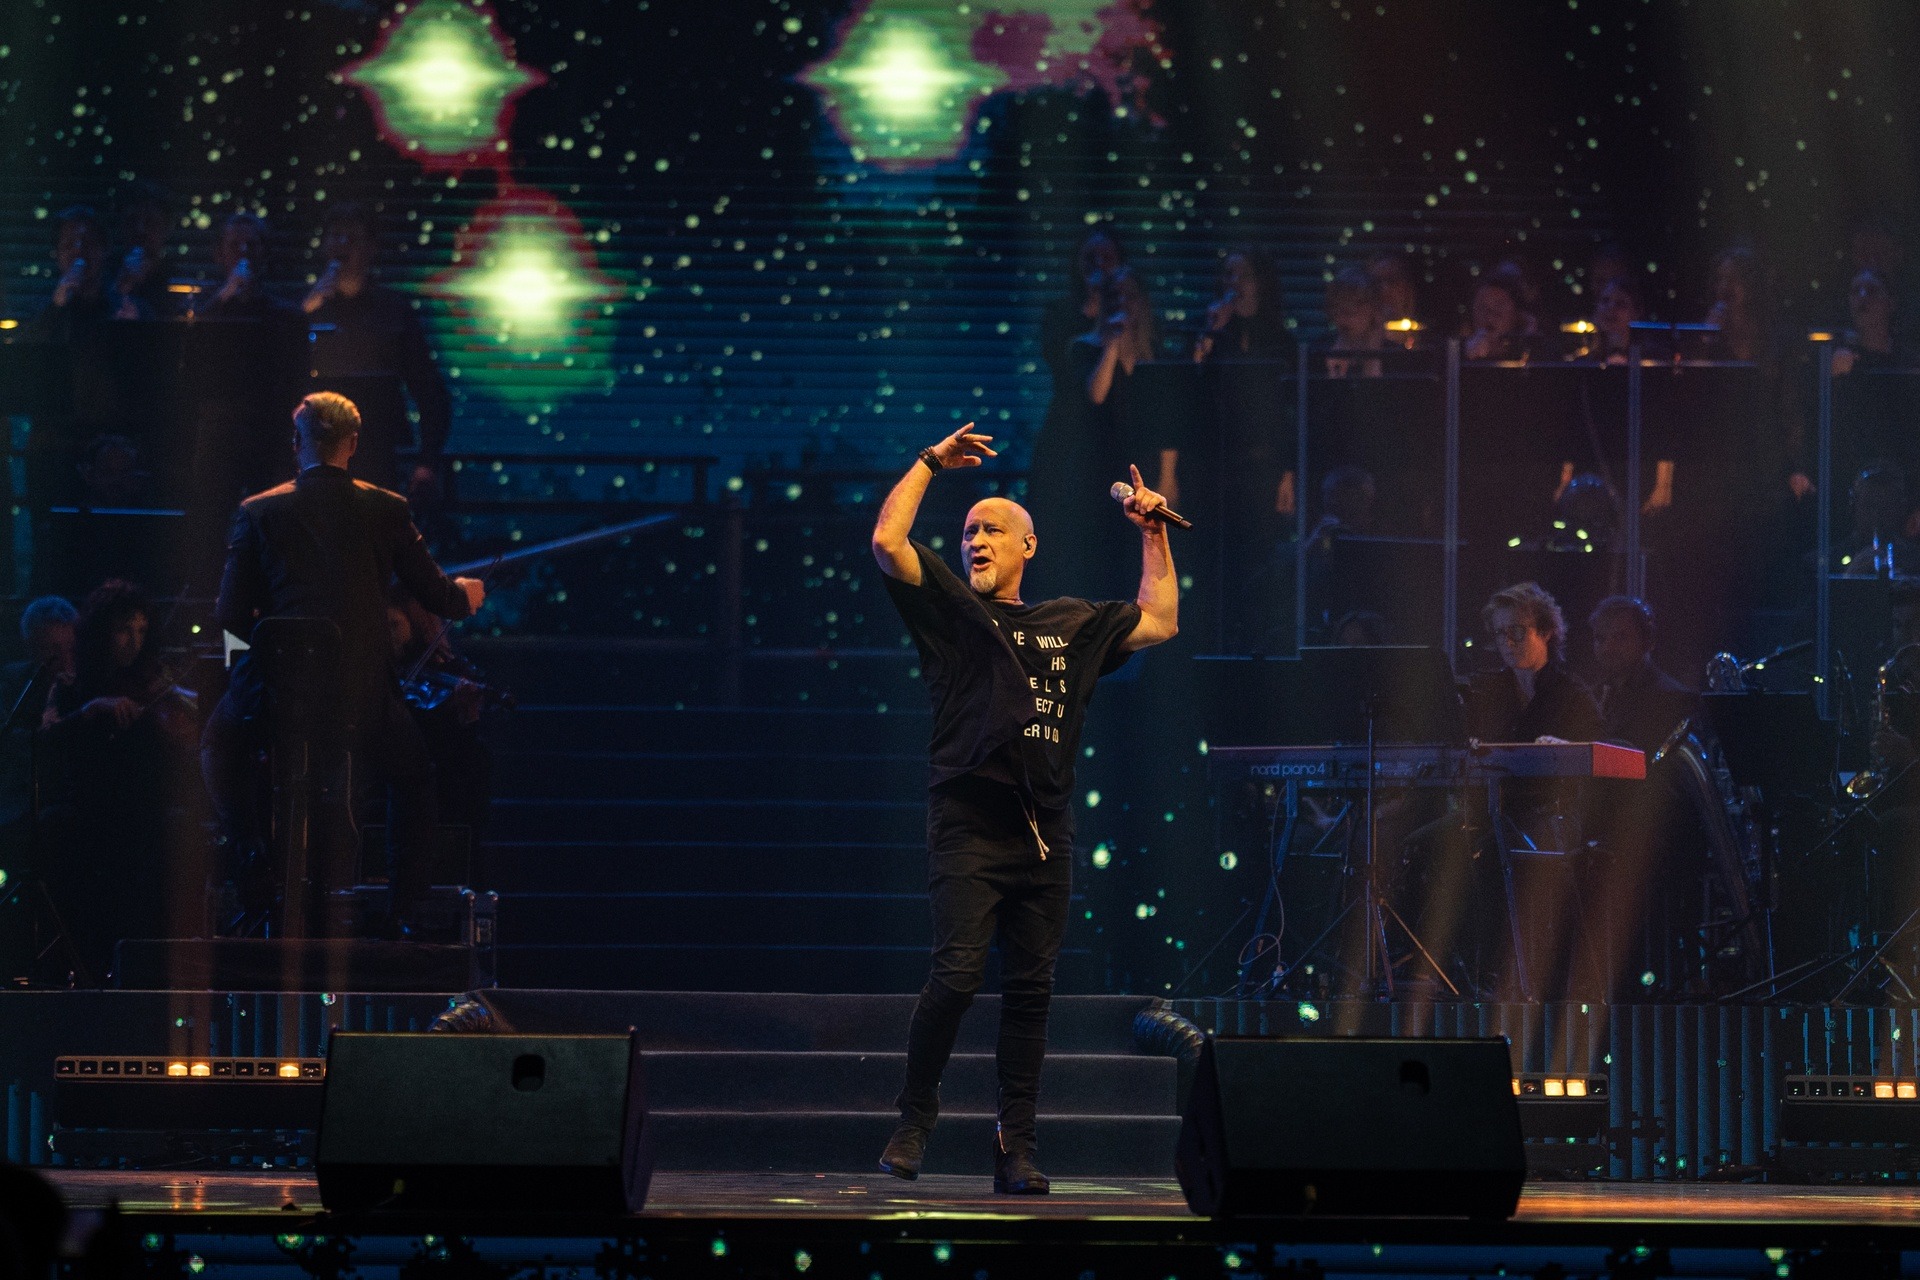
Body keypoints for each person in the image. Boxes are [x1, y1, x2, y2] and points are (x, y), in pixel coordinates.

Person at [871, 424, 1179, 1194]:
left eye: (991, 530)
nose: (975, 541)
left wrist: (1152, 533)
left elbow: (1161, 618)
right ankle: (915, 1115)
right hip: (968, 827)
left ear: (1027, 548)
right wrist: (929, 462)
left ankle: (1017, 1146)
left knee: (1031, 995)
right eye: (968, 531)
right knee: (957, 976)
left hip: (1044, 837)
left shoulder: (1069, 624)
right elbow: (887, 541)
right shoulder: (950, 613)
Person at [202, 392, 484, 933]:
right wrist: (467, 595)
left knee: (217, 745)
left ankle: (254, 853)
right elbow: (440, 597)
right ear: (353, 444)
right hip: (361, 698)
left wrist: (243, 673)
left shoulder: (257, 511)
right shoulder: (388, 509)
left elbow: (230, 617)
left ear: (297, 442)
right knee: (414, 779)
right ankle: (403, 911)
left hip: (275, 694)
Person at [37, 580, 201, 976]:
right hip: (91, 813)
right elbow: (44, 742)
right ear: (101, 633)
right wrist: (92, 710)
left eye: (142, 631)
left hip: (143, 813)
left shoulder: (152, 682)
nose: (135, 642)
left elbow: (185, 742)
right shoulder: (72, 686)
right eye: (124, 630)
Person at [302, 204, 453, 499]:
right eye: (336, 236)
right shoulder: (303, 309)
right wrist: (305, 311)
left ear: (370, 248)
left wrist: (427, 459)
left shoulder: (393, 311)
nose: (343, 246)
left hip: (379, 452)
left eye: (352, 238)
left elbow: (429, 389)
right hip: (314, 456)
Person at [1467, 582, 1603, 745]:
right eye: (1500, 633)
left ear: (1545, 632)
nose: (1508, 642)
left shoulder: (1573, 696)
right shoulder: (1485, 692)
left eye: (1517, 631)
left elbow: (1598, 752)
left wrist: (1566, 748)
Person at [1589, 596, 1695, 755]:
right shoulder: (1594, 695)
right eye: (1600, 638)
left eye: (1620, 637)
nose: (1607, 648)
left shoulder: (1673, 699)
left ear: (1648, 641)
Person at [1192, 249, 1291, 363]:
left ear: (1261, 283)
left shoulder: (1279, 338)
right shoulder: (1202, 326)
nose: (1234, 281)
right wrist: (1212, 329)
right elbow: (1195, 364)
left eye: (1245, 275)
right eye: (1229, 274)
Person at [1323, 267, 1384, 378]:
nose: (1345, 314)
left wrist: (1372, 358)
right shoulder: (1319, 351)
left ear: (1374, 308)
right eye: (1339, 304)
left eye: (1356, 303)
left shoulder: (1395, 354)